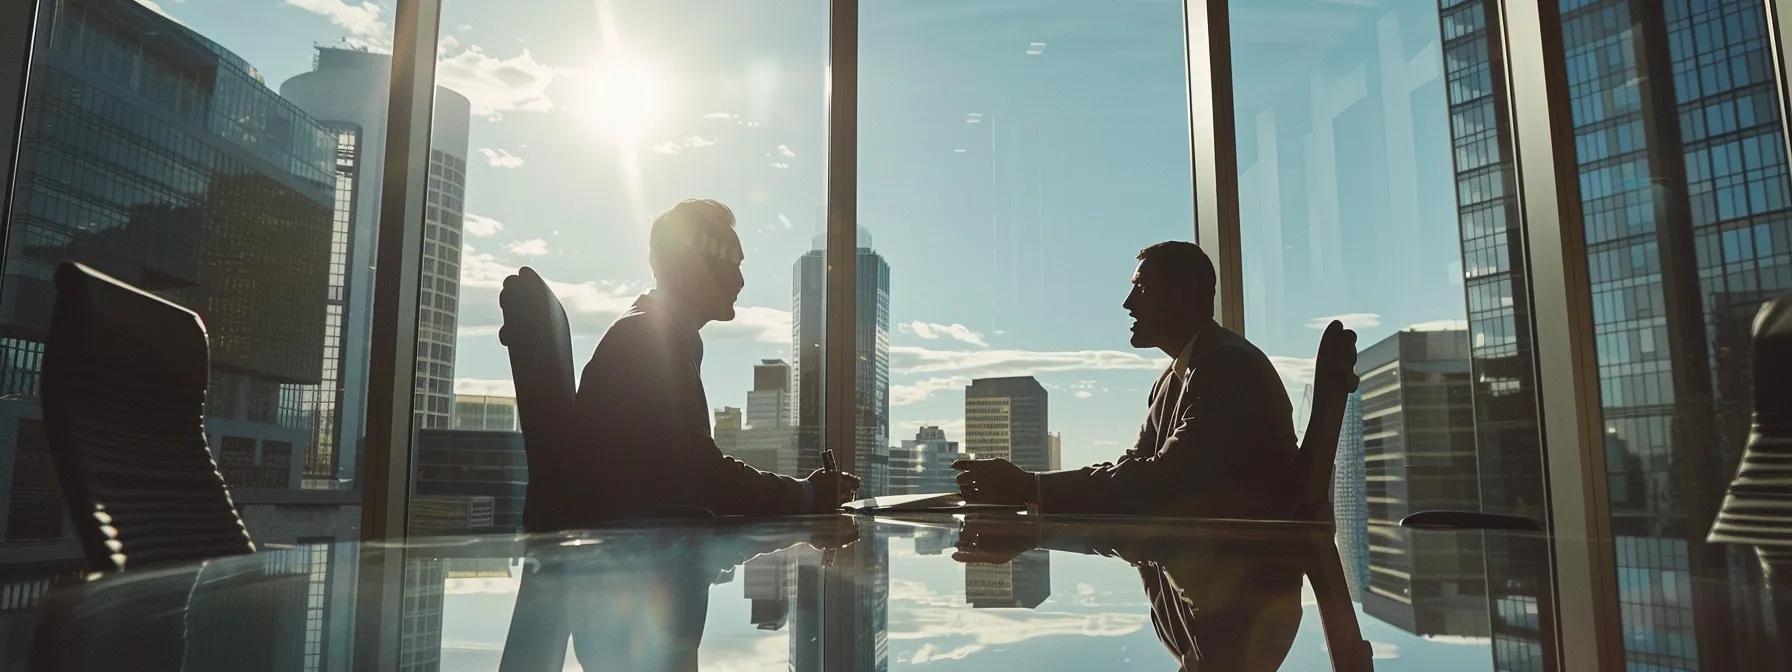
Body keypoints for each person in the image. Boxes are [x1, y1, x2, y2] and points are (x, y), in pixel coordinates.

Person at [954, 241, 1296, 517]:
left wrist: (1031, 487)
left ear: (1182, 295)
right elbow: (1135, 471)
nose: (1127, 303)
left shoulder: (1229, 367)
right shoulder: (1171, 380)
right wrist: (1031, 487)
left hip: (1248, 566)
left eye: (1141, 288)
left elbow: (1164, 481)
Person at [572, 199, 858, 518]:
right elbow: (705, 479)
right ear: (688, 266)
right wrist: (808, 493)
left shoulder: (652, 333)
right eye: (731, 264)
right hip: (632, 542)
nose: (741, 281)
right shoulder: (650, 340)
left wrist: (806, 492)